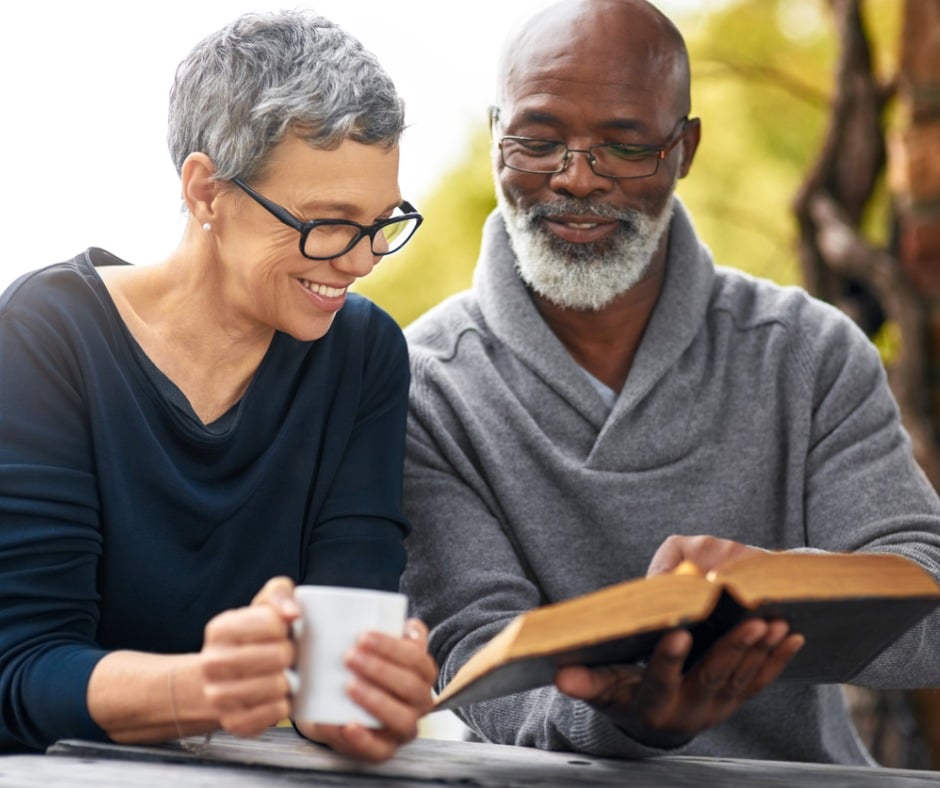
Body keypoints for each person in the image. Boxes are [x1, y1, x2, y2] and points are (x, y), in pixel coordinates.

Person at [400, 0, 940, 765]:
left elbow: (929, 613)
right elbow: (471, 657)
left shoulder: (809, 353)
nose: (576, 178)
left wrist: (775, 589)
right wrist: (624, 721)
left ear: (684, 149)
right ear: (496, 137)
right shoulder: (424, 386)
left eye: (622, 147)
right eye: (538, 140)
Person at [0, 9, 437, 762]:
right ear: (206, 191)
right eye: (327, 223)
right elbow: (21, 667)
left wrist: (363, 698)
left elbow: (334, 685)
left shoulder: (363, 354)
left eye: (380, 223)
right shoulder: (47, 334)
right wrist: (201, 689)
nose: (362, 261)